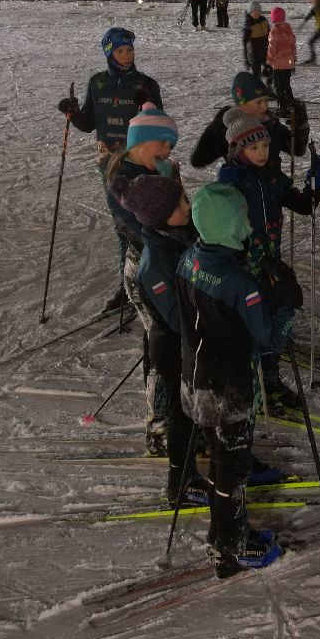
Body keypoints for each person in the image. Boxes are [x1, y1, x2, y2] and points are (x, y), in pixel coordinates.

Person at [178, 183, 302, 578]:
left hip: (193, 380)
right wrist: (286, 302)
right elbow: (270, 338)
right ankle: (228, 545)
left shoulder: (188, 259)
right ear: (232, 229)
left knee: (221, 458)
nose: (249, 226)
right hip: (227, 390)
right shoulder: (239, 284)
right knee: (230, 470)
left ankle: (228, 534)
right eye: (244, 220)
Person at [217, 110, 320, 413]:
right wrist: (223, 189)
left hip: (270, 263)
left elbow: (304, 206)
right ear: (238, 150)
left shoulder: (274, 177)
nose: (262, 152)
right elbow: (214, 221)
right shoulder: (234, 180)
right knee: (248, 325)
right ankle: (248, 383)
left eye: (264, 145)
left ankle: (271, 380)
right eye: (254, 148)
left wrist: (316, 181)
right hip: (241, 265)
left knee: (273, 317)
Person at [56, 26, 164, 308]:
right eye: (120, 50)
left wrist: (148, 106)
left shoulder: (146, 84)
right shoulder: (97, 83)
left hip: (139, 161)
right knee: (123, 227)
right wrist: (72, 112)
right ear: (109, 53)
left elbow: (160, 125)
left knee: (143, 223)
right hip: (109, 164)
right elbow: (89, 123)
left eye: (130, 50)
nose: (127, 56)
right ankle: (128, 283)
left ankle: (151, 280)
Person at [113, 174, 205, 500]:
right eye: (181, 203)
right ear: (160, 215)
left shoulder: (180, 235)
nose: (188, 205)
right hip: (174, 347)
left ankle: (195, 466)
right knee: (182, 415)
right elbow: (178, 319)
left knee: (195, 411)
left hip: (191, 341)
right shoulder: (154, 265)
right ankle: (180, 481)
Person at [103, 103, 185, 456]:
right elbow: (140, 226)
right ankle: (160, 424)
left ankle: (180, 414)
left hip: (169, 261)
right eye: (163, 144)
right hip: (145, 270)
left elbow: (180, 210)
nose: (168, 152)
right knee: (161, 345)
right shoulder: (121, 181)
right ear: (143, 141)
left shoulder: (164, 168)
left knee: (175, 341)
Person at [189, 72, 305, 169]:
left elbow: (298, 149)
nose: (265, 107)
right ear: (241, 104)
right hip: (242, 194)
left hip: (274, 191)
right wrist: (216, 126)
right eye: (258, 102)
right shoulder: (230, 130)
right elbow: (198, 161)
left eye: (266, 101)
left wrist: (301, 124)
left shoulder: (271, 124)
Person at [265, 7, 298, 115]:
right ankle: (292, 104)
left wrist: (269, 62)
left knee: (279, 87)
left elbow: (272, 49)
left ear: (273, 18)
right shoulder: (289, 29)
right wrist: (294, 60)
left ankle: (283, 108)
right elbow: (293, 46)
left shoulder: (274, 31)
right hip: (288, 63)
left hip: (278, 65)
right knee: (286, 85)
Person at [242, 2, 270, 75]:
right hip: (253, 54)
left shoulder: (264, 20)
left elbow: (270, 35)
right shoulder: (248, 25)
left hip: (265, 51)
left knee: (270, 70)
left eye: (258, 11)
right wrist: (246, 60)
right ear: (249, 12)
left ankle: (268, 84)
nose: (256, 13)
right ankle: (258, 84)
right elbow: (244, 43)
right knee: (257, 74)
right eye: (254, 11)